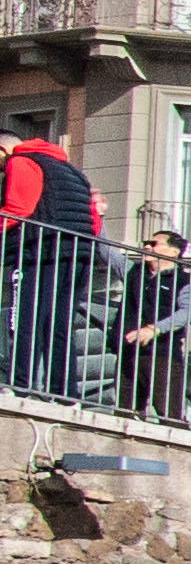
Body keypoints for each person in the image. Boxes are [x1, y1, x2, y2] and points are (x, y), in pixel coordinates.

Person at [0, 133, 90, 403]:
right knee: (59, 323)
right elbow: (93, 218)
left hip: (42, 251)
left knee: (28, 318)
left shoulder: (22, 161)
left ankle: (20, 384)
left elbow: (18, 208)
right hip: (78, 251)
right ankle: (65, 393)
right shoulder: (71, 170)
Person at [110, 224, 191, 421]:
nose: (147, 247)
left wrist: (154, 330)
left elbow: (187, 313)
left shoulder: (186, 281)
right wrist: (99, 215)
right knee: (124, 413)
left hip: (162, 354)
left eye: (154, 244)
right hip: (129, 352)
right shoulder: (134, 271)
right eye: (146, 243)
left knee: (168, 414)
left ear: (174, 252)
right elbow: (107, 252)